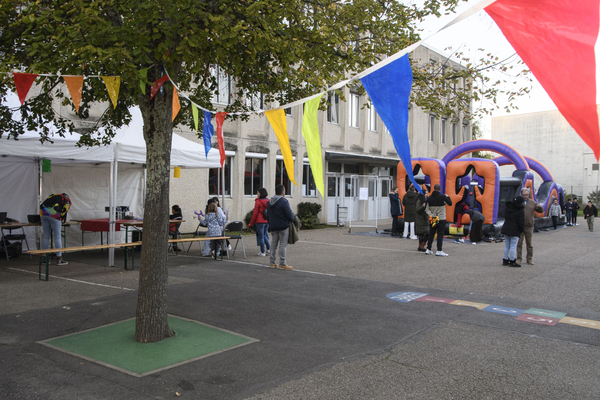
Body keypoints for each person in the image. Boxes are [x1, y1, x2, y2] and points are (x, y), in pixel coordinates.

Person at [267, 184, 295, 270]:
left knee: (273, 244)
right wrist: (292, 218)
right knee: (283, 244)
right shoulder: (284, 201)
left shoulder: (269, 202)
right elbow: (289, 214)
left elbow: (268, 215)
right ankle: (282, 263)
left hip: (273, 226)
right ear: (282, 192)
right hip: (283, 225)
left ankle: (272, 262)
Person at [39, 193, 71, 265]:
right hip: (54, 214)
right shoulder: (67, 200)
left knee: (46, 236)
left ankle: (44, 259)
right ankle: (59, 259)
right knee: (57, 236)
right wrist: (61, 218)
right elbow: (64, 210)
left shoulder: (52, 195)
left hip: (43, 214)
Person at [516, 188, 544, 266]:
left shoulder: (532, 202)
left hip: (529, 226)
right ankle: (519, 258)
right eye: (524, 195)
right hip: (520, 226)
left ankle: (529, 259)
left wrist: (540, 207)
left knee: (529, 244)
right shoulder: (518, 202)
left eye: (527, 195)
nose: (525, 196)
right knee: (519, 244)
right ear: (521, 194)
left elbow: (540, 211)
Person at [425, 184, 452, 257]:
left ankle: (428, 249)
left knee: (431, 233)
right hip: (441, 218)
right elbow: (450, 204)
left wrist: (431, 215)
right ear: (440, 189)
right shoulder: (442, 197)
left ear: (433, 189)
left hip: (433, 218)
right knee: (440, 234)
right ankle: (439, 250)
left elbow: (426, 209)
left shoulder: (429, 198)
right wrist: (447, 196)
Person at [501, 196, 525, 267]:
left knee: (507, 245)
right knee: (513, 245)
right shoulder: (520, 210)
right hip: (515, 228)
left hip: (506, 226)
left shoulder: (508, 208)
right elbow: (521, 222)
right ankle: (512, 260)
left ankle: (505, 259)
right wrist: (521, 230)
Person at [247, 188, 271, 256]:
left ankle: (262, 252)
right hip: (267, 221)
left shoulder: (258, 201)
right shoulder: (269, 201)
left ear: (260, 193)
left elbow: (255, 213)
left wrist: (251, 223)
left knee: (261, 236)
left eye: (257, 192)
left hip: (260, 221)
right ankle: (268, 249)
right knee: (264, 235)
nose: (257, 194)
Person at [415, 185, 430, 251]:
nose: (427, 194)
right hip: (420, 219)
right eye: (426, 193)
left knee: (427, 233)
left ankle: (422, 245)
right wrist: (423, 206)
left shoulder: (425, 200)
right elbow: (417, 209)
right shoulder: (419, 200)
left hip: (425, 219)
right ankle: (421, 246)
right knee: (421, 233)